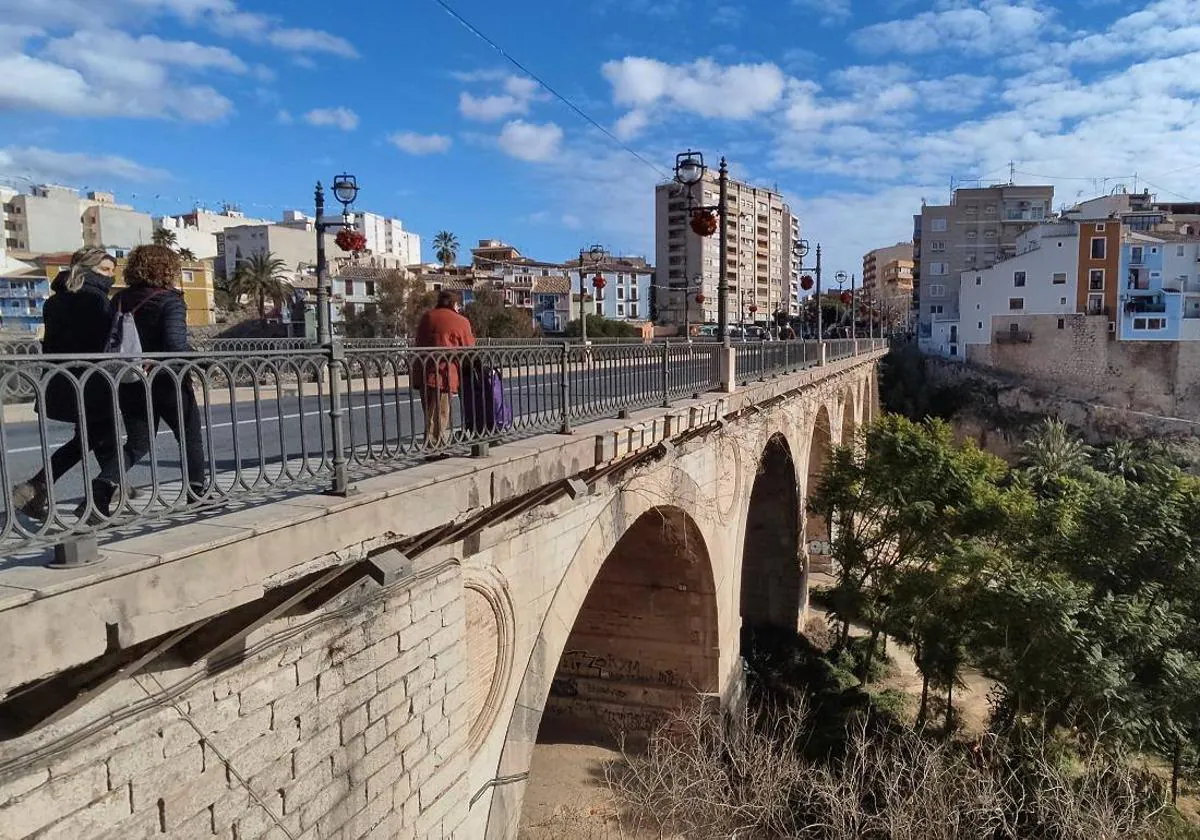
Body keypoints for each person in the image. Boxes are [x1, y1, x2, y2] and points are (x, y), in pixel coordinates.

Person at [11, 248, 121, 518]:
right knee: (96, 437)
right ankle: (98, 494)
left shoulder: (54, 301)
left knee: (91, 438)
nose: (110, 277)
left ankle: (111, 488)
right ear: (86, 268)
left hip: (63, 380)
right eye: (105, 270)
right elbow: (103, 344)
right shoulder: (96, 300)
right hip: (92, 381)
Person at [112, 245, 208, 502]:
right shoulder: (170, 300)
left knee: (137, 444)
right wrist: (201, 361)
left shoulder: (120, 299)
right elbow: (176, 345)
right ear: (167, 269)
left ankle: (101, 489)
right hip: (168, 380)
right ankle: (196, 492)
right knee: (189, 437)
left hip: (130, 379)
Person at [412, 291, 475, 448]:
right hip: (443, 373)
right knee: (441, 412)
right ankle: (435, 447)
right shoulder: (460, 321)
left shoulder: (427, 317)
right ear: (455, 305)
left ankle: (432, 442)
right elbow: (469, 348)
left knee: (429, 411)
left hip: (423, 369)